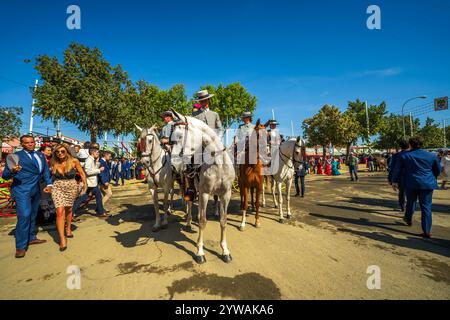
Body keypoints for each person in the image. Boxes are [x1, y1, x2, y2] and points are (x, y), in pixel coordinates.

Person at [2, 135, 53, 258]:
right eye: (27, 143)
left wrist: (50, 183)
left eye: (32, 142)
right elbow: (5, 176)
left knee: (33, 215)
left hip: (36, 189)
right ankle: (20, 246)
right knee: (24, 215)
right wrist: (12, 171)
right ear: (22, 144)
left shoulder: (40, 155)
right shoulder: (15, 156)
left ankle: (31, 238)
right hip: (22, 190)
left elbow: (45, 170)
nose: (31, 144)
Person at [392, 136, 441, 238]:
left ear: (410, 145)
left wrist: (394, 181)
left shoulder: (404, 155)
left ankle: (408, 218)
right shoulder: (431, 156)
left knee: (410, 202)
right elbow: (438, 170)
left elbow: (397, 169)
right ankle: (427, 231)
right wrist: (432, 178)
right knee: (426, 207)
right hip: (427, 183)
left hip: (411, 183)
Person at [50, 144, 86, 251]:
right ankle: (62, 239)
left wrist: (85, 185)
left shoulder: (74, 161)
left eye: (62, 151)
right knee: (60, 211)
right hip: (57, 187)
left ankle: (68, 228)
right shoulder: (53, 162)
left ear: (67, 152)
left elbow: (82, 173)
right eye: (57, 152)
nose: (60, 154)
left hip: (71, 187)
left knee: (69, 209)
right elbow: (50, 175)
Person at [73, 148, 109, 219]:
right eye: (97, 153)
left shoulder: (92, 159)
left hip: (92, 183)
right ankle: (71, 213)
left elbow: (92, 168)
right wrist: (99, 170)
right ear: (93, 153)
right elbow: (88, 171)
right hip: (90, 183)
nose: (98, 154)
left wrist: (98, 163)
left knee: (97, 196)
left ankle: (101, 212)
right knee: (82, 198)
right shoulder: (89, 160)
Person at [388, 139, 409, 211]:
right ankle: (409, 207)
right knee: (410, 193)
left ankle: (403, 206)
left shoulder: (396, 155)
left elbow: (393, 168)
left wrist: (392, 179)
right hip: (413, 177)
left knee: (402, 192)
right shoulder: (413, 154)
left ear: (400, 146)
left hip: (401, 177)